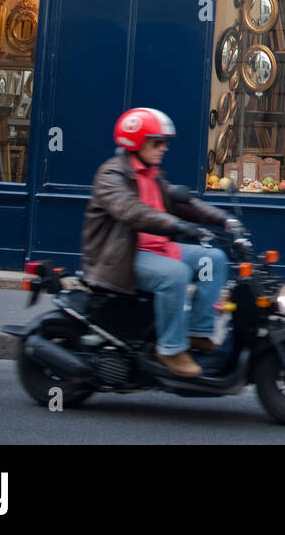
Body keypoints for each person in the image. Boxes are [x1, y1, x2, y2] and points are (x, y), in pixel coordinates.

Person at [82, 107, 236, 377]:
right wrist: (178, 226)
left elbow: (184, 204)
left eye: (165, 142)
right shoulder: (111, 175)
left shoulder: (152, 174)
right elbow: (131, 210)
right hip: (123, 256)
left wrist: (223, 219)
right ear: (135, 142)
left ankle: (198, 331)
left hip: (158, 249)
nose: (164, 148)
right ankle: (170, 349)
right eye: (157, 142)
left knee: (212, 260)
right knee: (175, 274)